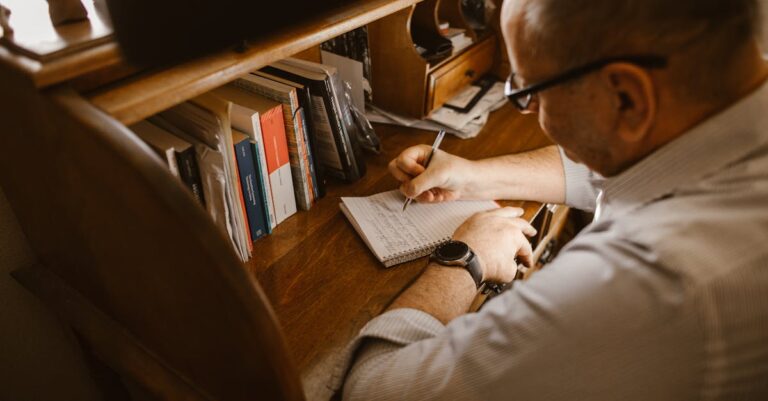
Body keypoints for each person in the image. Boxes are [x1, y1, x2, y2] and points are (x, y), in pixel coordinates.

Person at [333, 0, 768, 399]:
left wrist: (465, 258)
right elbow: (617, 160)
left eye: (529, 93)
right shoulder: (730, 106)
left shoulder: (656, 287)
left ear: (627, 99)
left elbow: (374, 389)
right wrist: (472, 175)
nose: (530, 112)